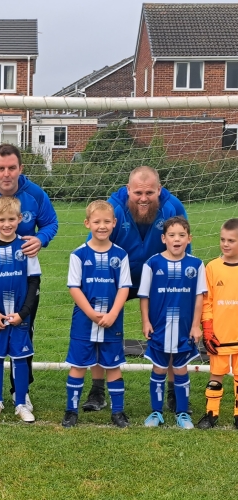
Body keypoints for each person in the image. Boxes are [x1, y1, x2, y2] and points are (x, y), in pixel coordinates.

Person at [83, 165, 189, 413]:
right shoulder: (114, 208)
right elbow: (99, 244)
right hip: (119, 275)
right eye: (138, 193)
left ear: (159, 190)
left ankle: (174, 392)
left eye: (149, 193)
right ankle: (97, 390)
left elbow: (182, 248)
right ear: (128, 189)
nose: (143, 198)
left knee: (171, 328)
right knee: (101, 324)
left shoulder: (172, 207)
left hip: (159, 276)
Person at [0, 143, 58, 410]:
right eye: (1, 168)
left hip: (22, 280)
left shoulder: (36, 194)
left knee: (23, 331)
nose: (7, 174)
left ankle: (21, 391)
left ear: (20, 169)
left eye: (12, 168)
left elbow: (51, 223)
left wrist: (40, 239)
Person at [62, 200, 131, 428]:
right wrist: (91, 313)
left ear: (114, 223)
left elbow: (124, 287)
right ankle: (71, 411)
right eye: (97, 221)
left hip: (112, 320)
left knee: (113, 365)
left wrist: (112, 314)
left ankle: (118, 412)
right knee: (78, 365)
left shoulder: (121, 255)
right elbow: (74, 287)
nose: (102, 226)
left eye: (106, 221)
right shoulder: (79, 255)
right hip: (84, 320)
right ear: (87, 223)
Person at [0, 196, 41, 423]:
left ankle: (21, 403)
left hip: (19, 316)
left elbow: (34, 282)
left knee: (20, 358)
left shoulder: (25, 246)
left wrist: (23, 313)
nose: (7, 224)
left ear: (20, 219)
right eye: (2, 219)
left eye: (11, 219)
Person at [138, 216, 205, 429]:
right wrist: (146, 321)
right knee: (158, 369)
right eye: (172, 235)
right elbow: (144, 296)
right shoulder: (153, 263)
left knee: (181, 369)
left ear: (189, 238)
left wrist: (196, 325)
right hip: (159, 327)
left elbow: (199, 297)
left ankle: (182, 413)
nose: (177, 239)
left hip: (184, 329)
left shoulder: (196, 264)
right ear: (163, 238)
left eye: (182, 235)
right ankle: (156, 412)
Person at [197, 218, 238, 430]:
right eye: (223, 239)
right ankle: (211, 414)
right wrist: (208, 329)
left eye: (231, 240)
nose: (225, 244)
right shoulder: (212, 267)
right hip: (219, 335)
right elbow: (207, 301)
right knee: (216, 375)